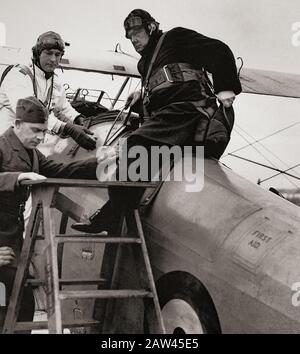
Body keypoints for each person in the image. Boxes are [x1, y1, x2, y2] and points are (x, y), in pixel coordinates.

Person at [71, 8, 242, 233]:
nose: (133, 39)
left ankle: (112, 215)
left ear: (151, 27)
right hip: (169, 118)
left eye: (137, 32)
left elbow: (219, 51)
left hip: (189, 111)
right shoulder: (144, 65)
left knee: (134, 145)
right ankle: (117, 213)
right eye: (129, 36)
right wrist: (143, 95)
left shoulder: (176, 38)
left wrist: (225, 89)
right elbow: (164, 88)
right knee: (141, 156)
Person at [0, 96, 99, 331]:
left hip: (12, 236)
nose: (40, 137)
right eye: (35, 130)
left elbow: (59, 170)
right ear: (17, 124)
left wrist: (98, 161)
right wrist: (18, 178)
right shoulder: (2, 147)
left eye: (44, 132)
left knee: (19, 307)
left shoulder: (32, 153)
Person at [0, 31, 96, 151]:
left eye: (57, 54)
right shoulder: (19, 75)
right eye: (48, 53)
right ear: (37, 54)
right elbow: (29, 112)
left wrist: (78, 118)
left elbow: (64, 106)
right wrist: (66, 128)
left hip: (30, 143)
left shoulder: (53, 81)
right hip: (5, 143)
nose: (53, 59)